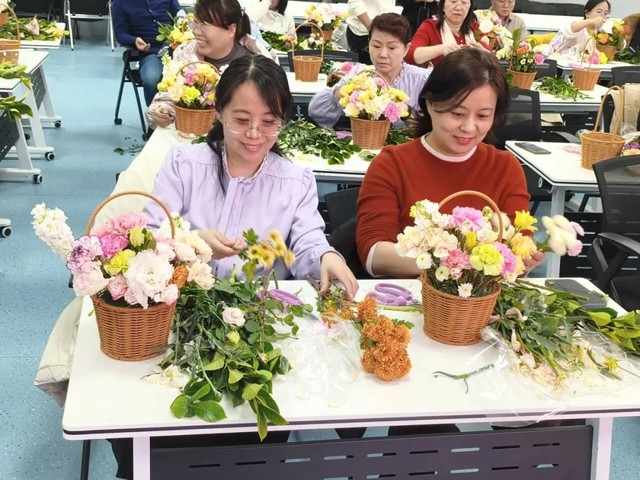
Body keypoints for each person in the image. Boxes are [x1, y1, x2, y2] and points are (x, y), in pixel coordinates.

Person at [145, 55, 359, 296]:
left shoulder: (295, 182)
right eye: (242, 120)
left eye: (269, 122)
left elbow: (307, 240)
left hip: (261, 306)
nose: (254, 133)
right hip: (183, 297)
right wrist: (192, 241)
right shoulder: (184, 165)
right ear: (219, 112)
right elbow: (151, 233)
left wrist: (325, 256)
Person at [356, 48, 544, 278]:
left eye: (483, 116)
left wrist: (522, 259)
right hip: (409, 294)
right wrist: (460, 261)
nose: (469, 127)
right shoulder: (392, 165)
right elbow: (373, 254)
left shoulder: (505, 167)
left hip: (482, 299)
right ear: (430, 104)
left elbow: (518, 246)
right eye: (457, 113)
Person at [146, 0, 275, 129]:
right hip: (188, 134)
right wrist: (162, 112)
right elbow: (167, 97)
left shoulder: (254, 66)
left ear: (231, 30)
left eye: (204, 25)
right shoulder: (186, 54)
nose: (196, 31)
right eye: (195, 22)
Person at [308, 13, 432, 127]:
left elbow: (432, 125)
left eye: (392, 48)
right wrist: (341, 92)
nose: (383, 54)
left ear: (406, 49)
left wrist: (405, 111)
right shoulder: (360, 75)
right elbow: (316, 112)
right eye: (376, 46)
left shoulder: (422, 79)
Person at [112, 0, 184, 106]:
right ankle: (156, 114)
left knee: (197, 74)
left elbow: (181, 16)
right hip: (150, 53)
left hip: (178, 49)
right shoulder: (120, 3)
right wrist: (134, 40)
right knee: (152, 79)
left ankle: (187, 114)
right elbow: (120, 34)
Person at [406, 0, 491, 68]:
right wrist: (442, 49)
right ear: (442, 5)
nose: (458, 7)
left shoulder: (475, 28)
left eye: (464, 2)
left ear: (470, 7)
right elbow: (409, 54)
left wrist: (483, 53)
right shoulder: (430, 26)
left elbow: (492, 60)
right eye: (453, 1)